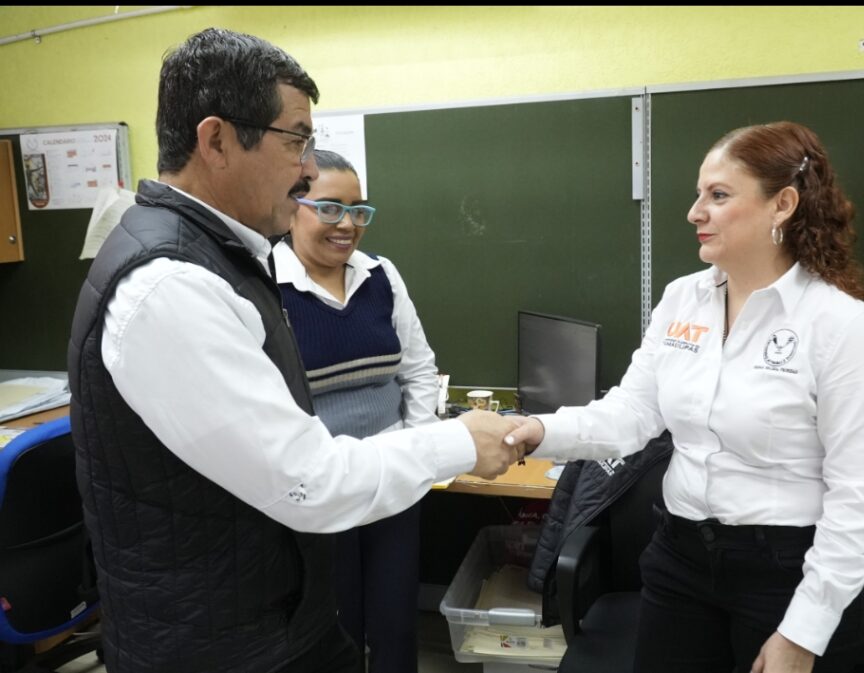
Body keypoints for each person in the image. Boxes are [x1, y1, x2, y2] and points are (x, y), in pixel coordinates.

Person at [67, 28, 523, 673]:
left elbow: (407, 375)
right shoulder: (170, 286)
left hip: (269, 615)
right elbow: (309, 481)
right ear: (216, 141)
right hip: (221, 642)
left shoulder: (226, 258)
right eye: (296, 141)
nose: (308, 169)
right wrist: (456, 442)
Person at [505, 121, 864, 673]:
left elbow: (860, 495)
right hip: (681, 559)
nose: (695, 212)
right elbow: (633, 413)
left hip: (791, 573)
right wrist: (538, 432)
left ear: (782, 204)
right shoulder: (682, 299)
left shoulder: (840, 326)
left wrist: (803, 633)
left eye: (718, 195)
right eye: (699, 195)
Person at [272, 149, 434, 673]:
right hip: (319, 487)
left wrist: (419, 450)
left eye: (358, 210)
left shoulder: (381, 276)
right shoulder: (265, 286)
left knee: (395, 623)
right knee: (333, 626)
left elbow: (419, 370)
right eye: (329, 208)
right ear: (293, 208)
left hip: (392, 479)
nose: (347, 225)